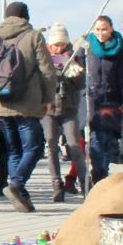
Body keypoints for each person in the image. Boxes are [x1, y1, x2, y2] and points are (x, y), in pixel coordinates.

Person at [0, 2, 56, 212]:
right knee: (35, 148)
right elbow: (47, 70)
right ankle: (17, 184)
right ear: (25, 17)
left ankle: (22, 197)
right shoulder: (34, 36)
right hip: (27, 104)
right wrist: (48, 98)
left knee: (14, 151)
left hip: (3, 101)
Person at [40, 22, 87, 202]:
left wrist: (74, 72)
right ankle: (56, 184)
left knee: (74, 145)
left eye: (62, 44)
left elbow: (81, 85)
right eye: (55, 45)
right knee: (51, 145)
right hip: (49, 109)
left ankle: (84, 184)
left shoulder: (73, 57)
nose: (58, 48)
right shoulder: (44, 58)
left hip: (69, 108)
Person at [84, 16, 123, 188]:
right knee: (96, 140)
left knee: (109, 141)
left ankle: (103, 175)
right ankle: (98, 176)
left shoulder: (118, 49)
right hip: (94, 101)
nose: (100, 33)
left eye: (104, 29)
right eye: (97, 29)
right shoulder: (87, 47)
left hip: (112, 101)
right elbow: (75, 64)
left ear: (111, 29)